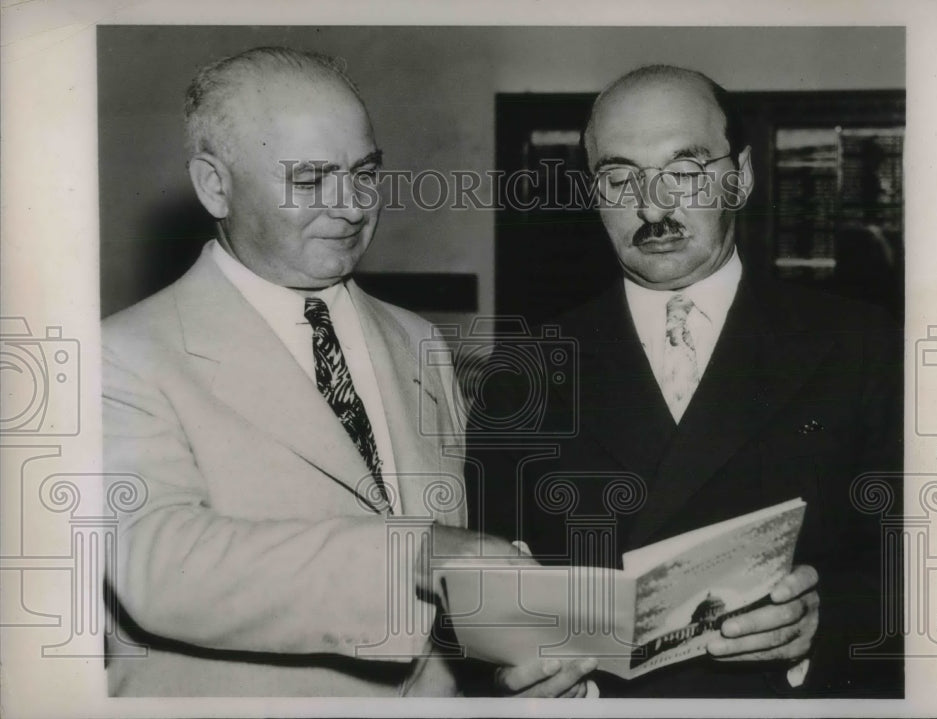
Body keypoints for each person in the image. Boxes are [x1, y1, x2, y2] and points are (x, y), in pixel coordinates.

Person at [102, 46, 595, 698]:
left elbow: (445, 611)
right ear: (214, 184)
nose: (351, 205)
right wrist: (419, 552)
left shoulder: (418, 340)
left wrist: (517, 665)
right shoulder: (122, 354)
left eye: (365, 173)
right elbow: (160, 566)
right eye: (309, 179)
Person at [468, 65, 902, 697]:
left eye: (686, 171)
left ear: (742, 177)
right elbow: (487, 589)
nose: (652, 205)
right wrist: (524, 677)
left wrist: (821, 622)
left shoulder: (860, 345)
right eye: (619, 177)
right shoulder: (525, 371)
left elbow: (913, 566)